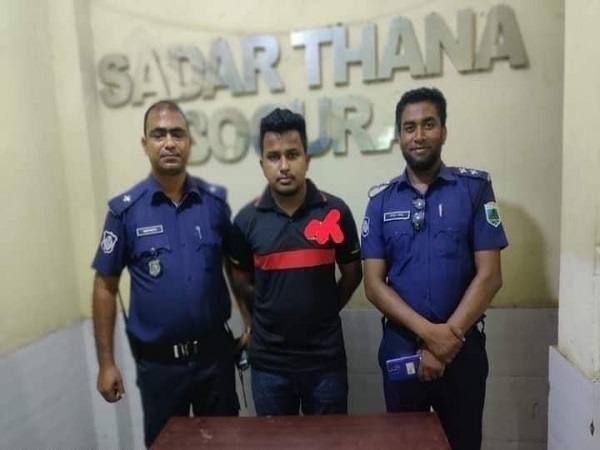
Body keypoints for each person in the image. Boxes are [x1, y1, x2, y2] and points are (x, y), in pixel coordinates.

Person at [361, 87, 508, 450]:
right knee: (404, 444)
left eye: (428, 124)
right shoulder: (381, 202)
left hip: (463, 347)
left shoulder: (474, 190)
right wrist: (431, 335)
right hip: (402, 347)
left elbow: (490, 276)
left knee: (463, 443)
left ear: (443, 130)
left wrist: (447, 341)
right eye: (409, 127)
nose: (419, 135)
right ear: (399, 136)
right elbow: (373, 285)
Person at [91, 100, 238, 448]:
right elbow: (104, 286)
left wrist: (250, 322)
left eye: (177, 134)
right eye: (159, 135)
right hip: (159, 368)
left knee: (225, 444)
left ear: (190, 142)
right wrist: (106, 363)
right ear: (145, 145)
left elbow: (235, 266)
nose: (169, 142)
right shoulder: (125, 212)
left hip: (215, 361)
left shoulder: (214, 205)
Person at [228, 108, 363, 416]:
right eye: (274, 157)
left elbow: (353, 274)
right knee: (276, 441)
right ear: (262, 164)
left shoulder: (336, 212)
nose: (284, 166)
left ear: (307, 159)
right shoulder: (246, 221)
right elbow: (239, 280)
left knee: (329, 440)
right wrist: (258, 318)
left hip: (325, 363)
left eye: (292, 154)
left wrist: (326, 308)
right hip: (269, 366)